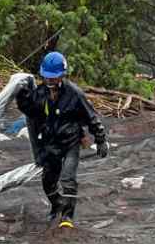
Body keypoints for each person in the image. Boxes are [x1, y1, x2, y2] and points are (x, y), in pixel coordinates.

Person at [14, 51, 107, 227]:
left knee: (68, 178)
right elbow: (30, 110)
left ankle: (67, 217)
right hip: (50, 143)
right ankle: (57, 205)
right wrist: (20, 95)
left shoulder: (74, 93)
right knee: (48, 180)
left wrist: (100, 139)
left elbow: (91, 117)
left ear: (62, 75)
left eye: (53, 77)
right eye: (46, 77)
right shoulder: (40, 93)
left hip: (71, 141)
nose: (49, 81)